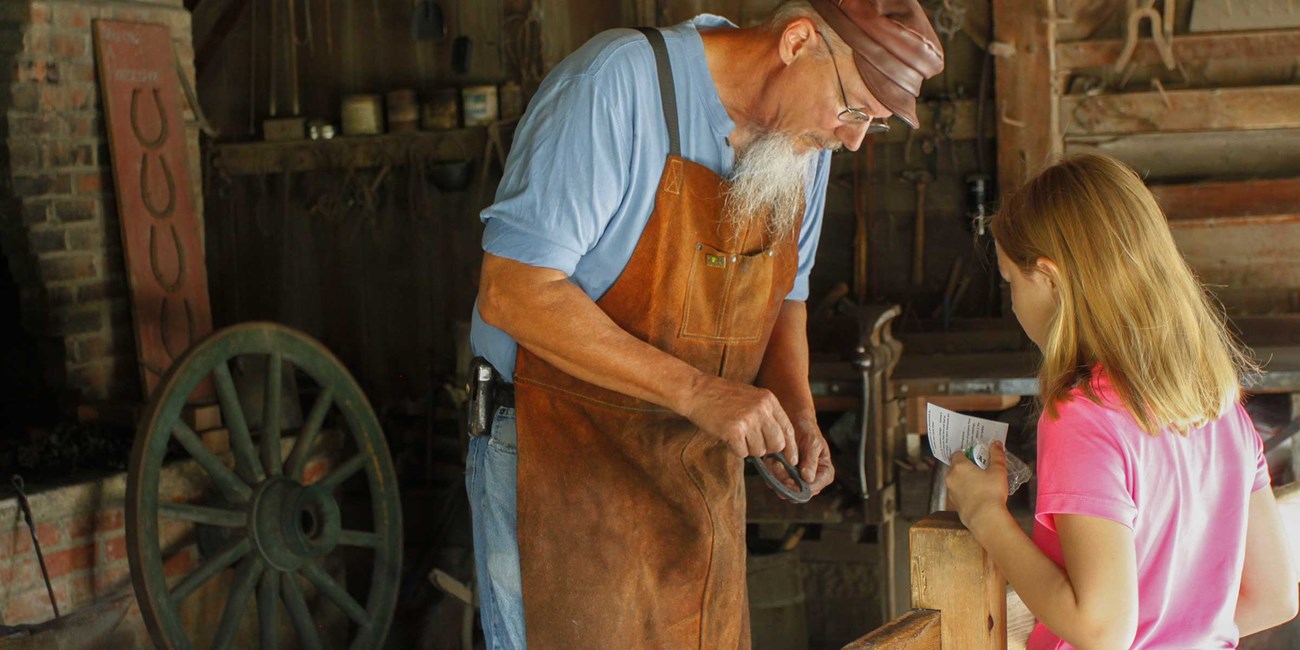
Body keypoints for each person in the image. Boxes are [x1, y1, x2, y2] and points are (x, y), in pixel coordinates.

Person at [465, 1, 943, 647]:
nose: (853, 138)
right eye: (854, 109)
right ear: (799, 42)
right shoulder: (616, 87)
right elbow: (513, 293)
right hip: (559, 457)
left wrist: (796, 407)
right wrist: (699, 392)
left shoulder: (804, 141)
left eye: (873, 125)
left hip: (696, 466)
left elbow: (787, 295)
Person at [945, 153, 1299, 649]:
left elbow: (1101, 630)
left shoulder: (1081, 415)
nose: (1012, 303)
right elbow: (1273, 596)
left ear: (1048, 278)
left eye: (1010, 282)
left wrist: (984, 512)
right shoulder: (1219, 406)